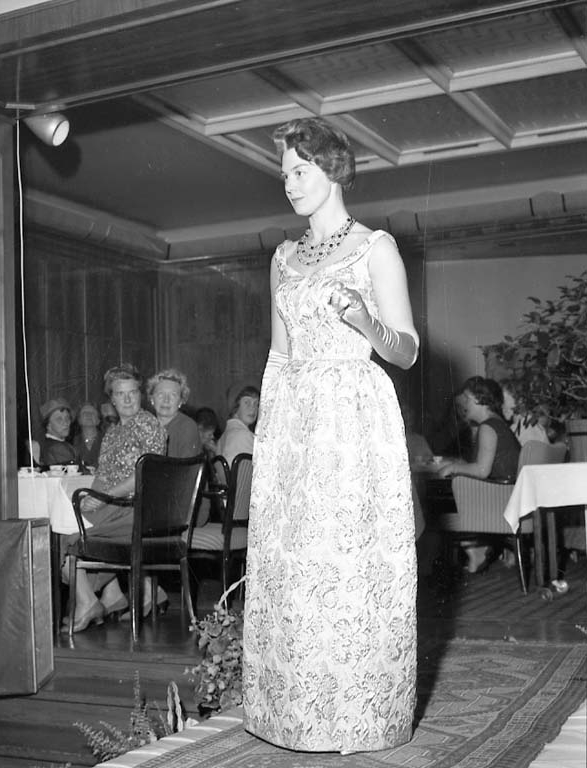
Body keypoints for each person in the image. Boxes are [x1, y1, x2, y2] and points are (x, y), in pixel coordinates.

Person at [243, 118, 420, 753]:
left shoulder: (377, 248)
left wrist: (365, 319)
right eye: (284, 174)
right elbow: (279, 355)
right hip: (294, 423)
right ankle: (295, 713)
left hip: (352, 422)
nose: (289, 184)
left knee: (347, 565)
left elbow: (406, 352)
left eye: (300, 170)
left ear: (333, 169)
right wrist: (269, 439)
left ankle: (358, 714)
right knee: (295, 567)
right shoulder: (282, 260)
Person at [63, 363, 167, 632]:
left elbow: (145, 475)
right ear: (112, 399)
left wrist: (103, 496)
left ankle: (88, 601)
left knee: (66, 534)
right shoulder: (111, 434)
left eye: (133, 392)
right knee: (65, 520)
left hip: (137, 508)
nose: (128, 399)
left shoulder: (148, 424)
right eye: (121, 394)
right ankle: (110, 595)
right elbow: (103, 476)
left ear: (140, 395)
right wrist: (91, 497)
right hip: (115, 505)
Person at [437, 376, 521, 573]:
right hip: (508, 496)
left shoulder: (487, 427)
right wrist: (462, 465)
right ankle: (476, 548)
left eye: (466, 399)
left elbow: (482, 471)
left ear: (479, 399)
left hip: (498, 500)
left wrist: (454, 468)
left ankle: (472, 548)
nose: (464, 405)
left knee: (437, 505)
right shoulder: (498, 424)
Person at [147, 368, 201, 459]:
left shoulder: (187, 427)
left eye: (173, 395)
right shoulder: (145, 425)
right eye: (161, 394)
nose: (166, 400)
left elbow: (186, 466)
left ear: (181, 401)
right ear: (152, 399)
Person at [216, 384, 259, 467]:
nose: (253, 408)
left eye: (256, 404)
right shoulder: (243, 435)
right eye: (247, 402)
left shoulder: (223, 437)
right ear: (235, 405)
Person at [499, 379, 550, 446]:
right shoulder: (531, 424)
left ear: (520, 400)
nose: (501, 406)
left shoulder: (525, 429)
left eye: (503, 400)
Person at [39, 398, 78, 466]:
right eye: (59, 419)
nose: (65, 423)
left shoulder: (57, 444)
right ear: (48, 425)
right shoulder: (56, 447)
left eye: (67, 418)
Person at [71, 402, 104, 469]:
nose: (88, 415)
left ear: (98, 420)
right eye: (84, 413)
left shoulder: (108, 440)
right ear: (79, 420)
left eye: (92, 413)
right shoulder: (71, 442)